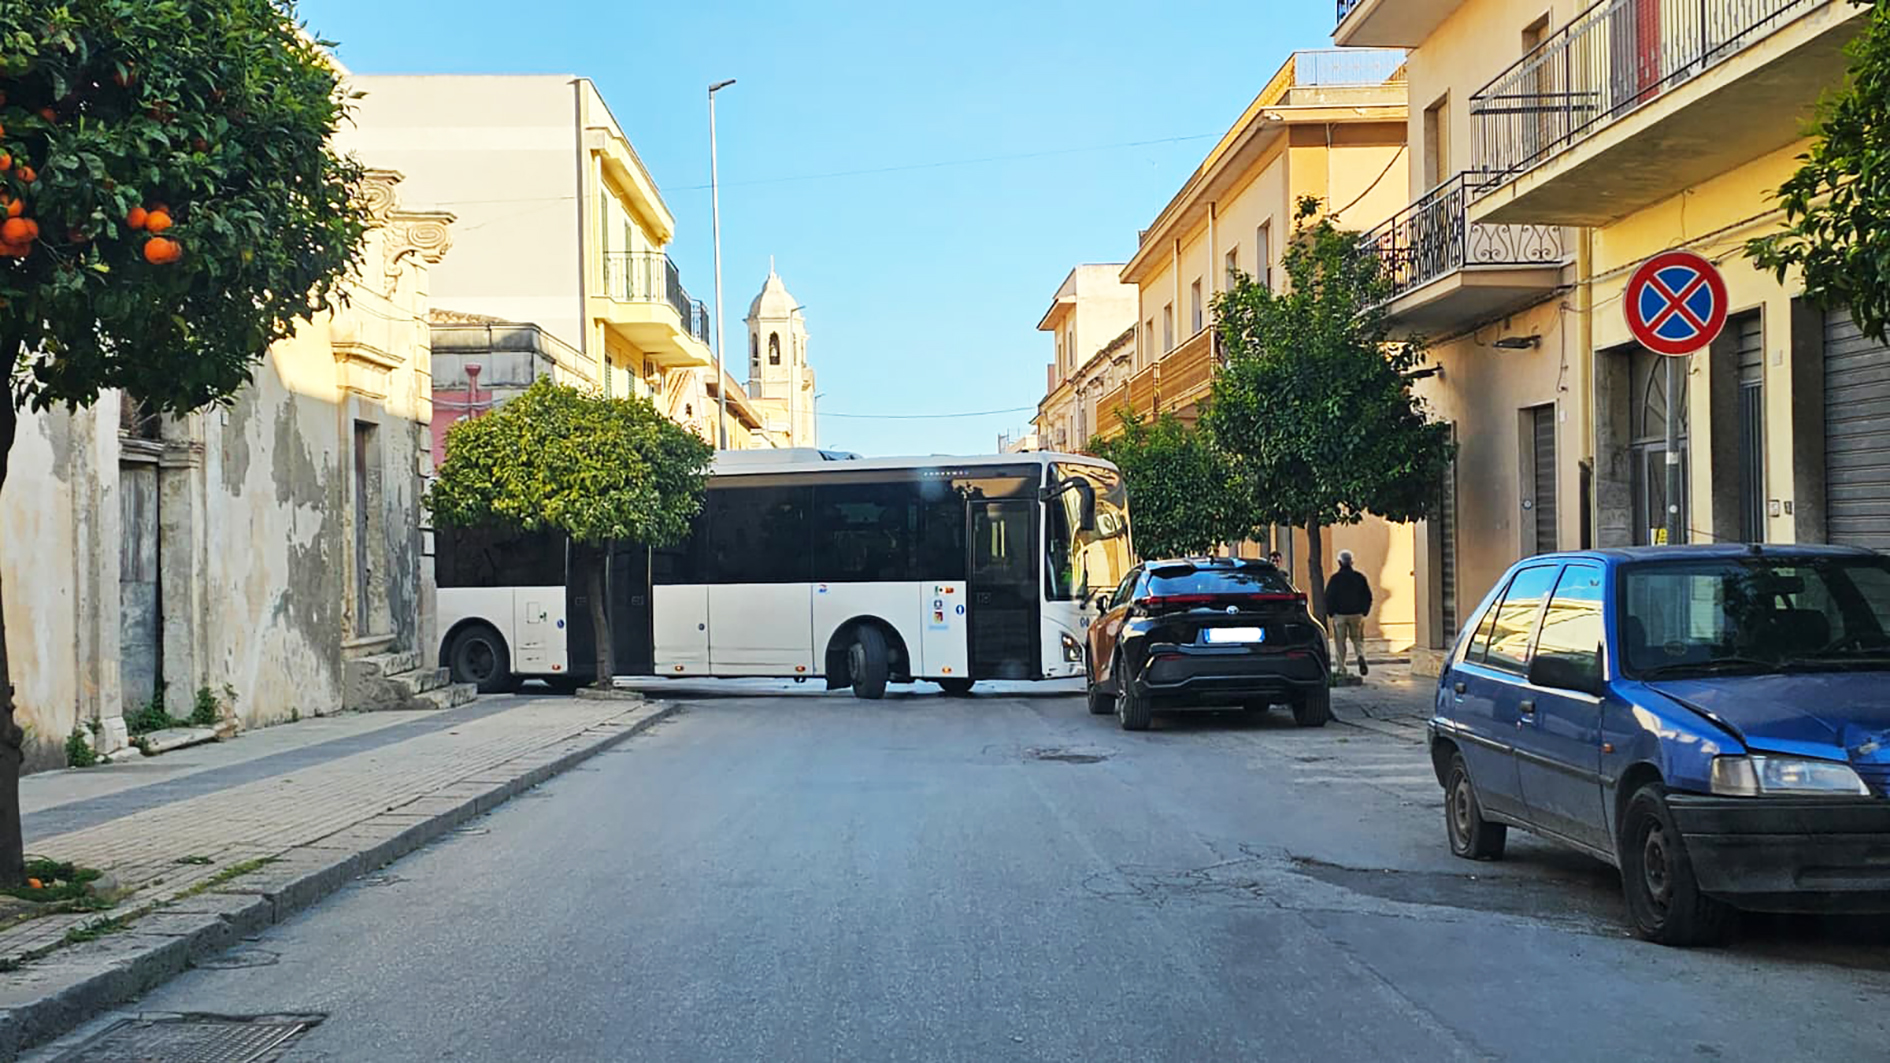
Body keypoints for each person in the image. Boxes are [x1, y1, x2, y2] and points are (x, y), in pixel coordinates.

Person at [1324, 550, 1373, 678]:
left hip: (1339, 614)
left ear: (1339, 562)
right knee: (1357, 639)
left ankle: (1341, 668)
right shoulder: (1360, 577)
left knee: (1340, 642)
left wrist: (1331, 612)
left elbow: (1329, 597)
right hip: (1357, 614)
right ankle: (1360, 655)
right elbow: (1367, 596)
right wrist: (1364, 611)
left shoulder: (1335, 579)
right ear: (1352, 562)